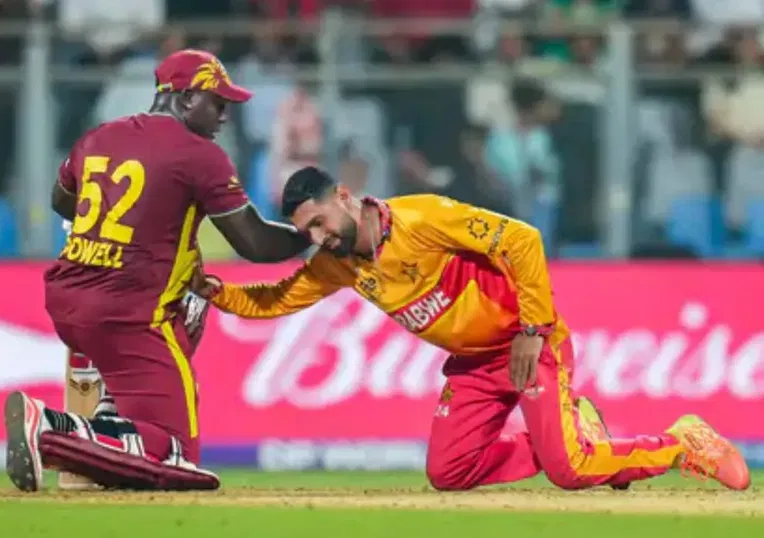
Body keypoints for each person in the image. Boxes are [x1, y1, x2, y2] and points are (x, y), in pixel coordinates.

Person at [189, 165, 751, 492]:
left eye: (318, 222)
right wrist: (217, 292)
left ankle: (680, 443)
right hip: (475, 367)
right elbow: (276, 299)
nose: (317, 238)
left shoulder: (423, 218)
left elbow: (522, 239)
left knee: (570, 470)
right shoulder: (336, 264)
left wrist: (533, 327)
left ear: (343, 197)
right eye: (305, 232)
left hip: (527, 345)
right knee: (449, 471)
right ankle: (574, 432)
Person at [3, 49, 309, 492]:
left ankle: (111, 418)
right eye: (218, 103)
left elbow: (62, 201)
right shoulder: (199, 155)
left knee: (190, 295)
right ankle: (50, 428)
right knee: (173, 455)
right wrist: (314, 234)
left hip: (68, 298)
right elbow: (256, 242)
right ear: (187, 98)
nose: (224, 116)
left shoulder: (100, 136)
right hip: (128, 312)